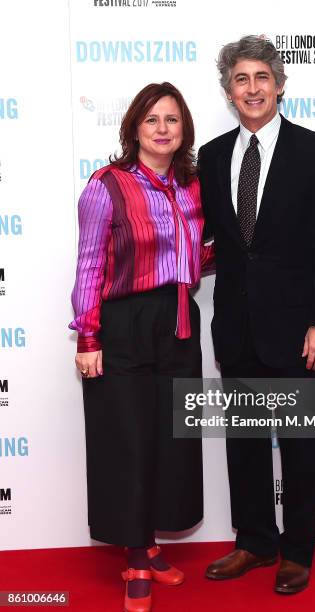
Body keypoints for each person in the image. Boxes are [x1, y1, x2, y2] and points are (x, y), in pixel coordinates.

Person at [198, 36, 315, 594]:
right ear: (228, 91)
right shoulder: (212, 156)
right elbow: (212, 241)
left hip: (298, 330)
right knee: (244, 445)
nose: (253, 88)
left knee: (302, 449)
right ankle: (254, 541)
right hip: (235, 326)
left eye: (262, 76)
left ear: (279, 85)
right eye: (241, 79)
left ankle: (297, 552)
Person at [69, 82, 213, 612]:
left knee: (170, 439)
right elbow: (90, 264)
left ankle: (150, 543)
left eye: (172, 120)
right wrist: (88, 336)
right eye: (152, 120)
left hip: (178, 321)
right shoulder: (106, 186)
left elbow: (196, 251)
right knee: (126, 440)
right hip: (123, 322)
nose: (162, 129)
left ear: (184, 131)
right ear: (134, 128)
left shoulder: (193, 187)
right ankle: (133, 560)